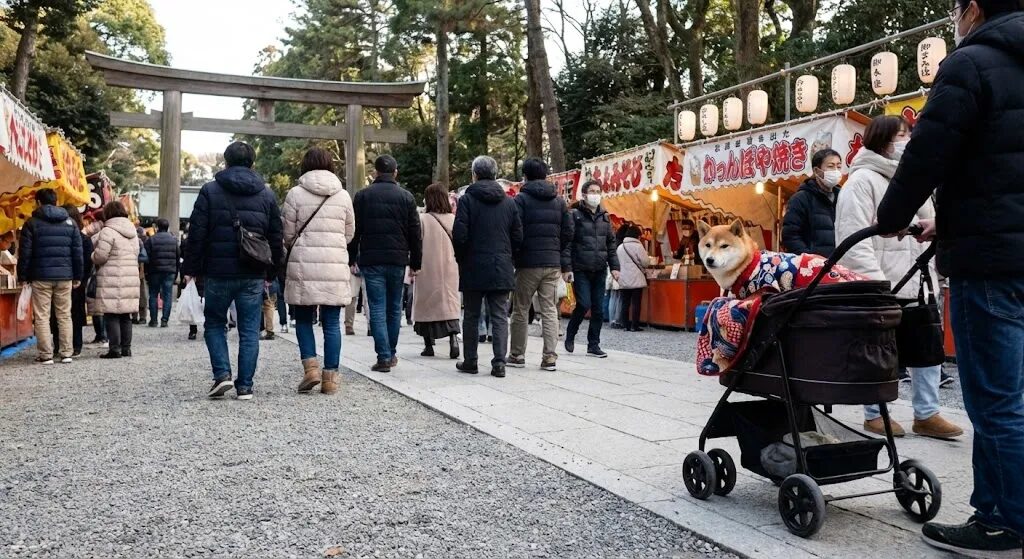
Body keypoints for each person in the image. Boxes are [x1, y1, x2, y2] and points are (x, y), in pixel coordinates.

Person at [873, 2, 1024, 555]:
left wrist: (892, 219)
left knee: (997, 402)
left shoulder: (972, 62)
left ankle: (1003, 522)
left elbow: (928, 155)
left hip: (990, 263)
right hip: (1005, 245)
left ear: (975, 10)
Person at [835, 115, 964, 441]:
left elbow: (932, 227)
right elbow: (853, 240)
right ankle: (875, 413)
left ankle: (927, 413)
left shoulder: (912, 183)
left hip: (918, 281)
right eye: (902, 135)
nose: (907, 141)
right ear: (882, 140)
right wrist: (877, 285)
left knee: (927, 349)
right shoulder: (861, 181)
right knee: (879, 353)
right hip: (882, 285)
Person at [183, 141, 284, 401]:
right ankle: (245, 386)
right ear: (252, 163)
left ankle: (222, 375)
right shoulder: (266, 194)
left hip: (217, 270)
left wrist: (191, 268)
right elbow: (275, 236)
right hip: (252, 271)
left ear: (225, 161)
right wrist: (273, 270)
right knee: (249, 329)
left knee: (215, 323)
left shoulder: (209, 191)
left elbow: (197, 233)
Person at [282, 147, 355, 395]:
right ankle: (331, 378)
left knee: (303, 319)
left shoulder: (295, 194)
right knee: (332, 322)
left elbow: (288, 234)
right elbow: (349, 233)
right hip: (334, 264)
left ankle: (311, 368)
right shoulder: (343, 196)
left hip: (303, 264)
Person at [348, 154, 421, 373]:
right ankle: (392, 352)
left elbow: (355, 231)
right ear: (395, 172)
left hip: (371, 259)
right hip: (398, 259)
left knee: (377, 307)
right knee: (394, 308)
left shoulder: (363, 196)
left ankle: (383, 356)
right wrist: (416, 262)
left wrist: (351, 258)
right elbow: (414, 233)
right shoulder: (406, 197)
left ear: (376, 172)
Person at [453, 156, 522, 377]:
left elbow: (460, 235)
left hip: (473, 264)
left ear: (474, 174)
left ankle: (471, 361)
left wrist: (462, 258)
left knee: (472, 314)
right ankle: (499, 362)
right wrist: (509, 257)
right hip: (501, 264)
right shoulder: (509, 202)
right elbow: (518, 236)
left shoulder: (466, 201)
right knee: (500, 315)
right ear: (495, 174)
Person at [508, 157, 572, 372]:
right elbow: (568, 232)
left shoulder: (521, 200)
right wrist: (557, 249)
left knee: (521, 309)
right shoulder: (559, 201)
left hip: (527, 263)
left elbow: (515, 231)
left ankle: (517, 354)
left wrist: (517, 253)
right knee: (549, 310)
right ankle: (550, 357)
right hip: (552, 263)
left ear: (524, 176)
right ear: (546, 175)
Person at [17, 188, 83, 365]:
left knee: (42, 316)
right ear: (56, 201)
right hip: (65, 276)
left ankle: (46, 355)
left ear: (38, 202)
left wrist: (22, 276)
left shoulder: (31, 223)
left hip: (41, 276)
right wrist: (78, 275)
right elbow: (77, 253)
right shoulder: (70, 222)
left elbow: (25, 253)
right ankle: (66, 353)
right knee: (64, 315)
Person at [565, 180, 620, 358]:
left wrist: (615, 267)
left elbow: (611, 244)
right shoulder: (574, 215)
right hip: (580, 268)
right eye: (592, 191)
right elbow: (567, 243)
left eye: (598, 191)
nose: (595, 194)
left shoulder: (605, 217)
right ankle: (571, 334)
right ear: (584, 194)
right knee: (583, 304)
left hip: (599, 268)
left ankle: (593, 344)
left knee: (598, 308)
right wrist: (566, 267)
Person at [413, 183, 461, 360]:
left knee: (426, 305)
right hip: (451, 267)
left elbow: (417, 243)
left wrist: (413, 265)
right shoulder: (454, 219)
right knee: (450, 303)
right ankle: (453, 339)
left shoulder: (422, 219)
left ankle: (428, 345)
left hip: (427, 267)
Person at [91, 201, 141, 359]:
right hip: (130, 276)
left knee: (111, 314)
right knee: (126, 315)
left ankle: (115, 349)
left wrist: (91, 256)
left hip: (112, 277)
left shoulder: (108, 231)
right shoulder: (132, 231)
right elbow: (136, 253)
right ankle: (126, 348)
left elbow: (100, 256)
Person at [782, 148, 843, 257]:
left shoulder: (843, 196)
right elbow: (790, 235)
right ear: (816, 171)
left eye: (838, 167)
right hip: (815, 268)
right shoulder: (801, 199)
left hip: (842, 266)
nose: (836, 171)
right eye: (830, 166)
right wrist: (810, 258)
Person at [49, 205, 92, 358]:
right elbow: (88, 262)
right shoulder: (84, 239)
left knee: (57, 314)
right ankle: (75, 345)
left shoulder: (56, 237)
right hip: (76, 281)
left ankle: (58, 345)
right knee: (74, 314)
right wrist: (80, 278)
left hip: (60, 278)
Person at [143, 218, 179, 328]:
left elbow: (146, 258)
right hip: (169, 271)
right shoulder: (174, 240)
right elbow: (177, 257)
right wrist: (176, 272)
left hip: (154, 271)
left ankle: (153, 321)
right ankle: (165, 320)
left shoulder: (151, 240)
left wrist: (146, 272)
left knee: (153, 295)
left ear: (157, 227)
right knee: (167, 296)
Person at [616, 225, 648, 332]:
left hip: (623, 278)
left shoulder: (620, 247)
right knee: (636, 303)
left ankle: (625, 325)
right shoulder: (638, 247)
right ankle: (635, 325)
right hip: (636, 279)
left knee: (625, 302)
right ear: (637, 235)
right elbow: (646, 262)